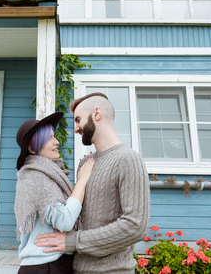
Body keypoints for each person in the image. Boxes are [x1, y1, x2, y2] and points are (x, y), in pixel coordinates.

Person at [34, 93, 150, 274]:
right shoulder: (85, 163)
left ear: (97, 114)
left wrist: (73, 241)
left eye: (78, 120)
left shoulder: (128, 159)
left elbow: (135, 226)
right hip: (77, 269)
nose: (76, 128)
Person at [14, 111, 95, 274]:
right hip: (47, 266)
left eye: (54, 136)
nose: (57, 142)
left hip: (47, 264)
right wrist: (82, 181)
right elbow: (64, 221)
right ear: (32, 147)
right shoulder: (36, 176)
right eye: (50, 138)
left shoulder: (44, 174)